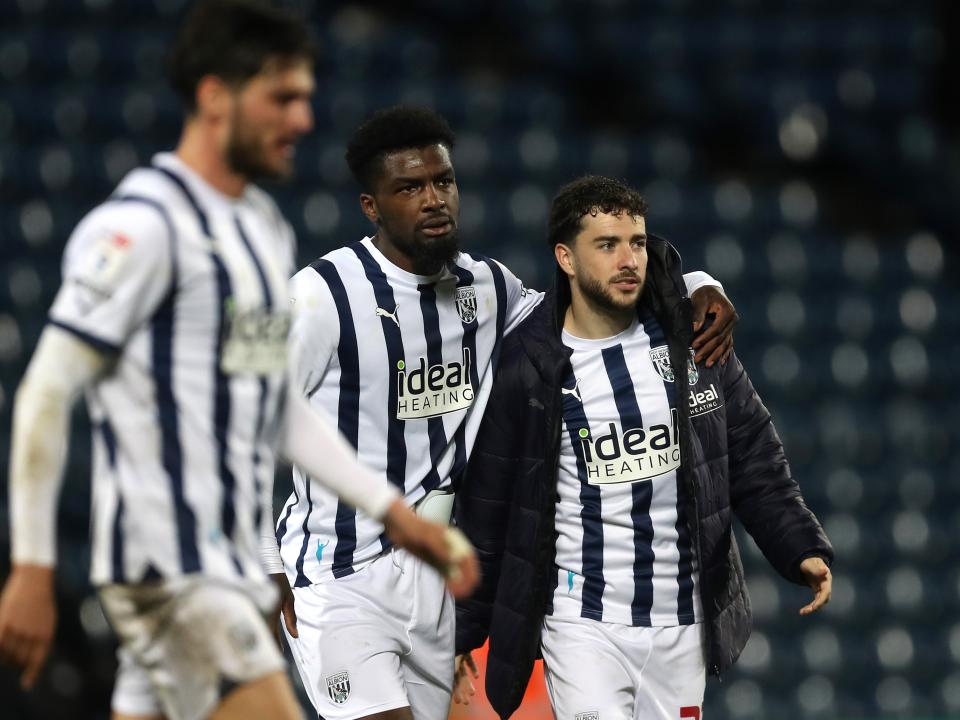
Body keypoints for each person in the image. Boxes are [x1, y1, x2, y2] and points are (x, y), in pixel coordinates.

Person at [0, 4, 477, 720]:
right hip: (171, 565)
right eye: (282, 99)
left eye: (306, 98)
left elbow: (272, 403)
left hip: (215, 560)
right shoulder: (142, 227)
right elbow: (43, 392)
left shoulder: (258, 230)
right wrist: (34, 563)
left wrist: (393, 516)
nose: (302, 120)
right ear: (216, 97)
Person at [264, 106, 738, 719]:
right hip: (340, 576)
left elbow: (587, 305)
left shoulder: (487, 288)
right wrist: (263, 563)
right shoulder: (319, 296)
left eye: (443, 181)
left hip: (439, 583)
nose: (434, 200)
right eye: (409, 188)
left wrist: (696, 280)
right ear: (371, 206)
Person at [453, 175, 835, 719]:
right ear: (565, 257)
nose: (628, 259)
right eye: (606, 246)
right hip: (582, 622)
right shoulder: (529, 366)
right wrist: (464, 630)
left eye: (636, 241)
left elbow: (751, 455)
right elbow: (488, 506)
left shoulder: (694, 341)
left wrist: (800, 546)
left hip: (682, 620)